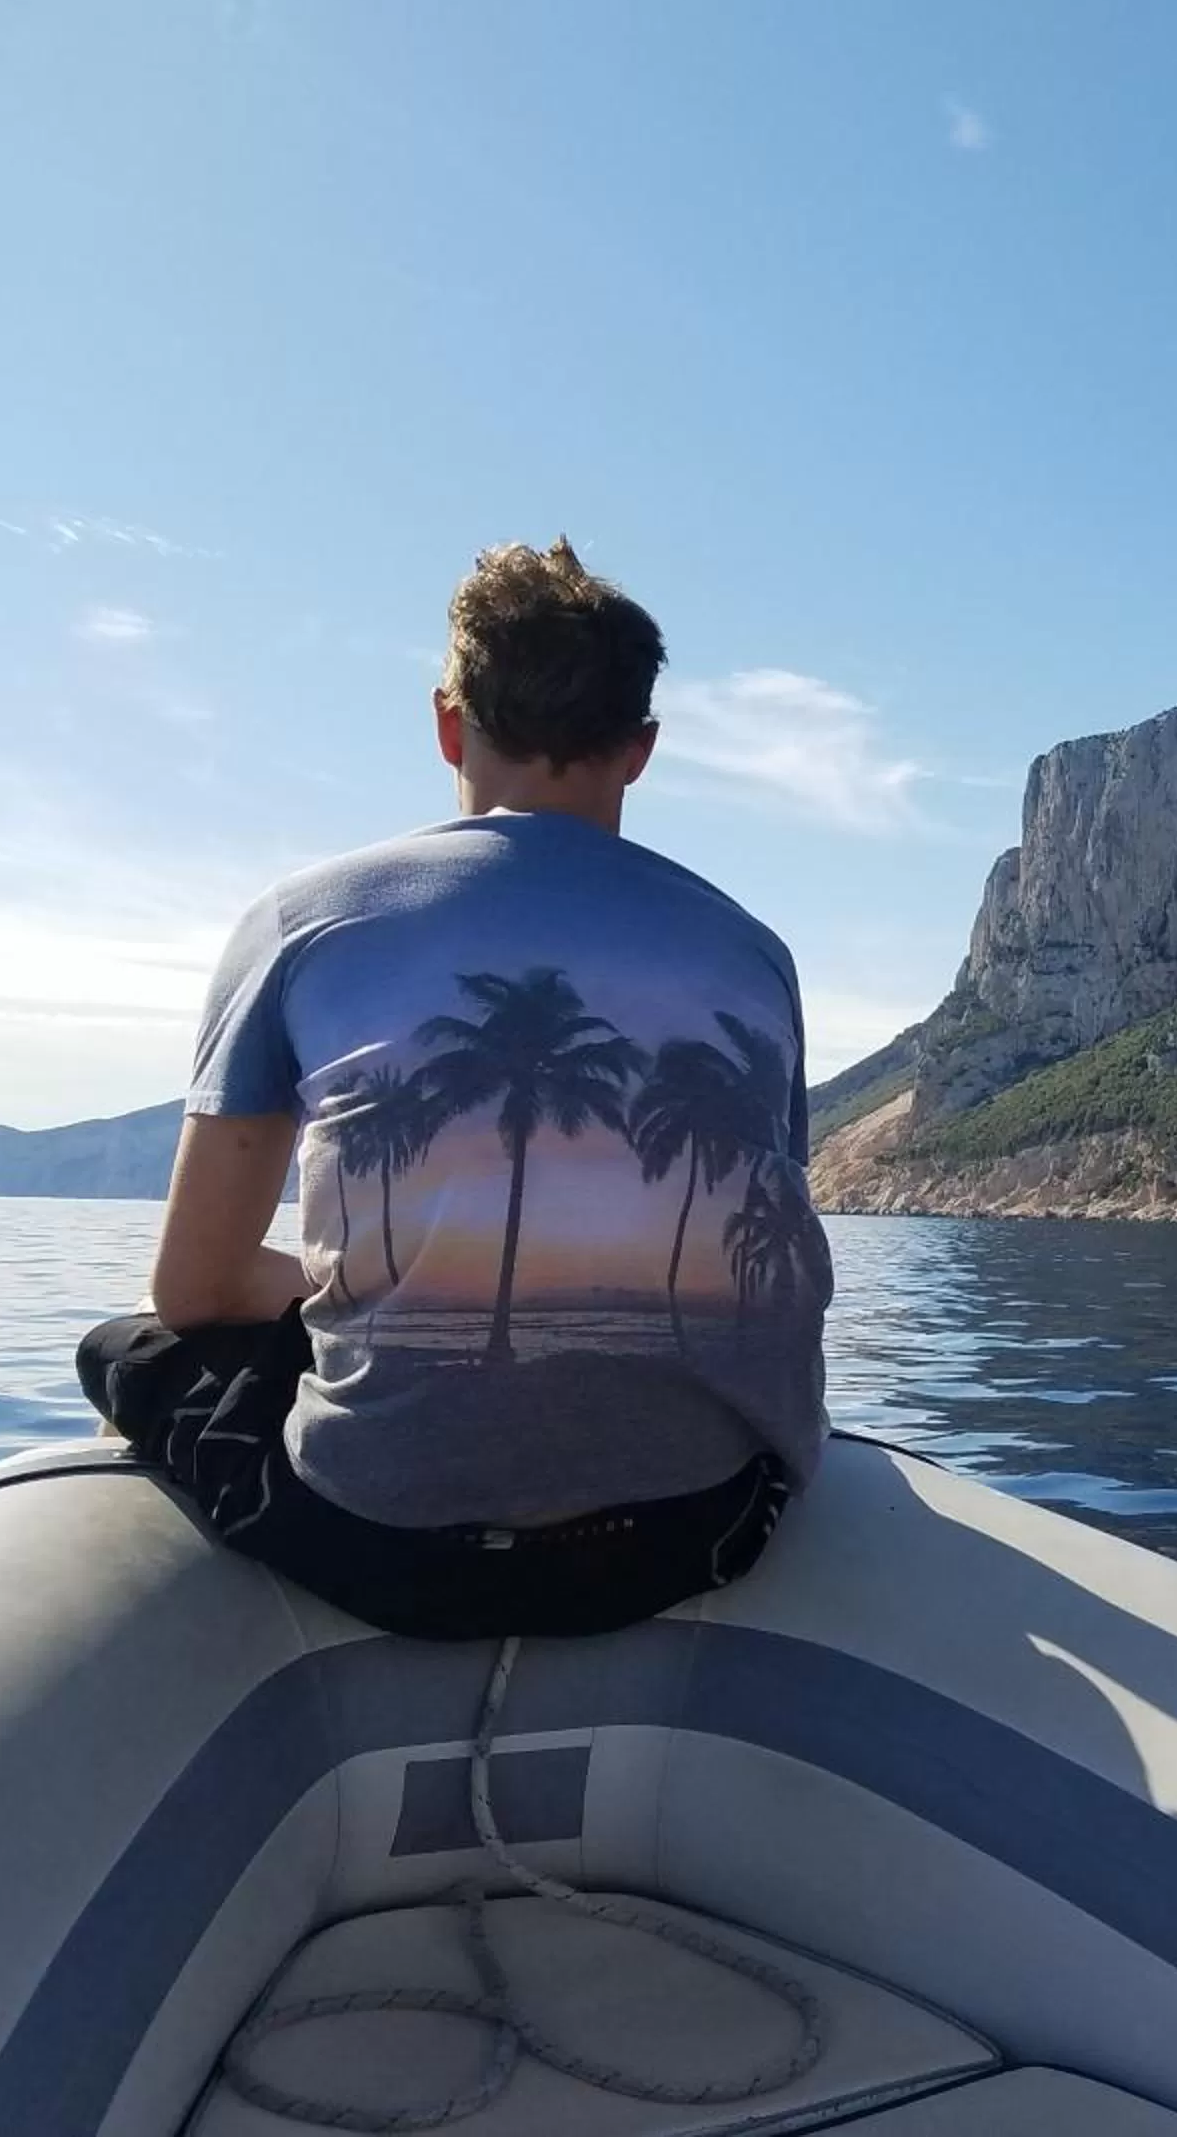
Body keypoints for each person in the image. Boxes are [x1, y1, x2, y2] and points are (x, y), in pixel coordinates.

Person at [79, 540, 831, 1641]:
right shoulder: (753, 954)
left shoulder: (302, 922)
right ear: (640, 750)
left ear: (447, 723)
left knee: (130, 1347)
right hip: (697, 1534)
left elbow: (194, 1288)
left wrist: (373, 1285)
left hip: (382, 1550)